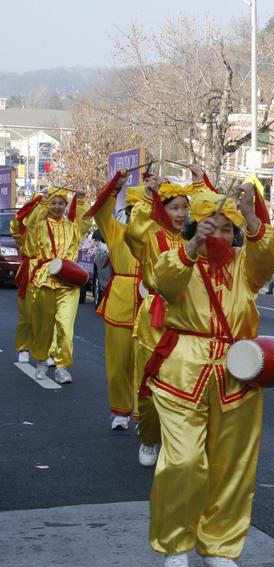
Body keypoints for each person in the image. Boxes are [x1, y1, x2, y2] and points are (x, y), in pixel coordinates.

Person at [142, 184, 274, 567]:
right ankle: (175, 546)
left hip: (237, 372)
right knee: (184, 460)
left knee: (232, 464)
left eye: (225, 229)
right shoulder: (178, 259)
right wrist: (190, 247)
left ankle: (219, 544)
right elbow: (162, 281)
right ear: (194, 229)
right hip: (183, 370)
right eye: (209, 227)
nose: (217, 236)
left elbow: (268, 256)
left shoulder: (243, 266)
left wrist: (252, 218)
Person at [126, 167, 211, 466]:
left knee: (184, 384)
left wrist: (201, 181)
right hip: (156, 319)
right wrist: (149, 197)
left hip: (188, 319)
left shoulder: (195, 240)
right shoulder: (151, 238)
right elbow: (132, 232)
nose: (181, 213)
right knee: (149, 382)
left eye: (184, 208)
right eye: (174, 207)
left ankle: (177, 441)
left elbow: (214, 210)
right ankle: (149, 437)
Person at [85, 170, 143, 430]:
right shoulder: (117, 231)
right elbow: (100, 213)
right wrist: (114, 188)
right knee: (119, 362)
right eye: (134, 210)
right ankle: (120, 411)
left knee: (148, 366)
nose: (138, 215)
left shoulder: (163, 236)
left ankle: (145, 416)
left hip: (153, 307)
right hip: (121, 301)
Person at [24, 187, 90, 384]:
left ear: (65, 205)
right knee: (44, 326)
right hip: (45, 279)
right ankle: (42, 362)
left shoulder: (72, 227)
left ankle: (62, 366)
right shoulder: (40, 225)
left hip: (68, 281)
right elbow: (29, 222)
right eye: (53, 203)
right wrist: (42, 201)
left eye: (61, 203)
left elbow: (86, 222)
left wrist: (81, 200)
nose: (57, 207)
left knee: (65, 326)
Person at [11, 193, 44, 364]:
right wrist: (32, 204)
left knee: (48, 314)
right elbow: (15, 224)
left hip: (49, 272)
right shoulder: (25, 233)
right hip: (29, 272)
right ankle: (24, 347)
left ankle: (48, 350)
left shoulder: (59, 227)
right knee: (26, 314)